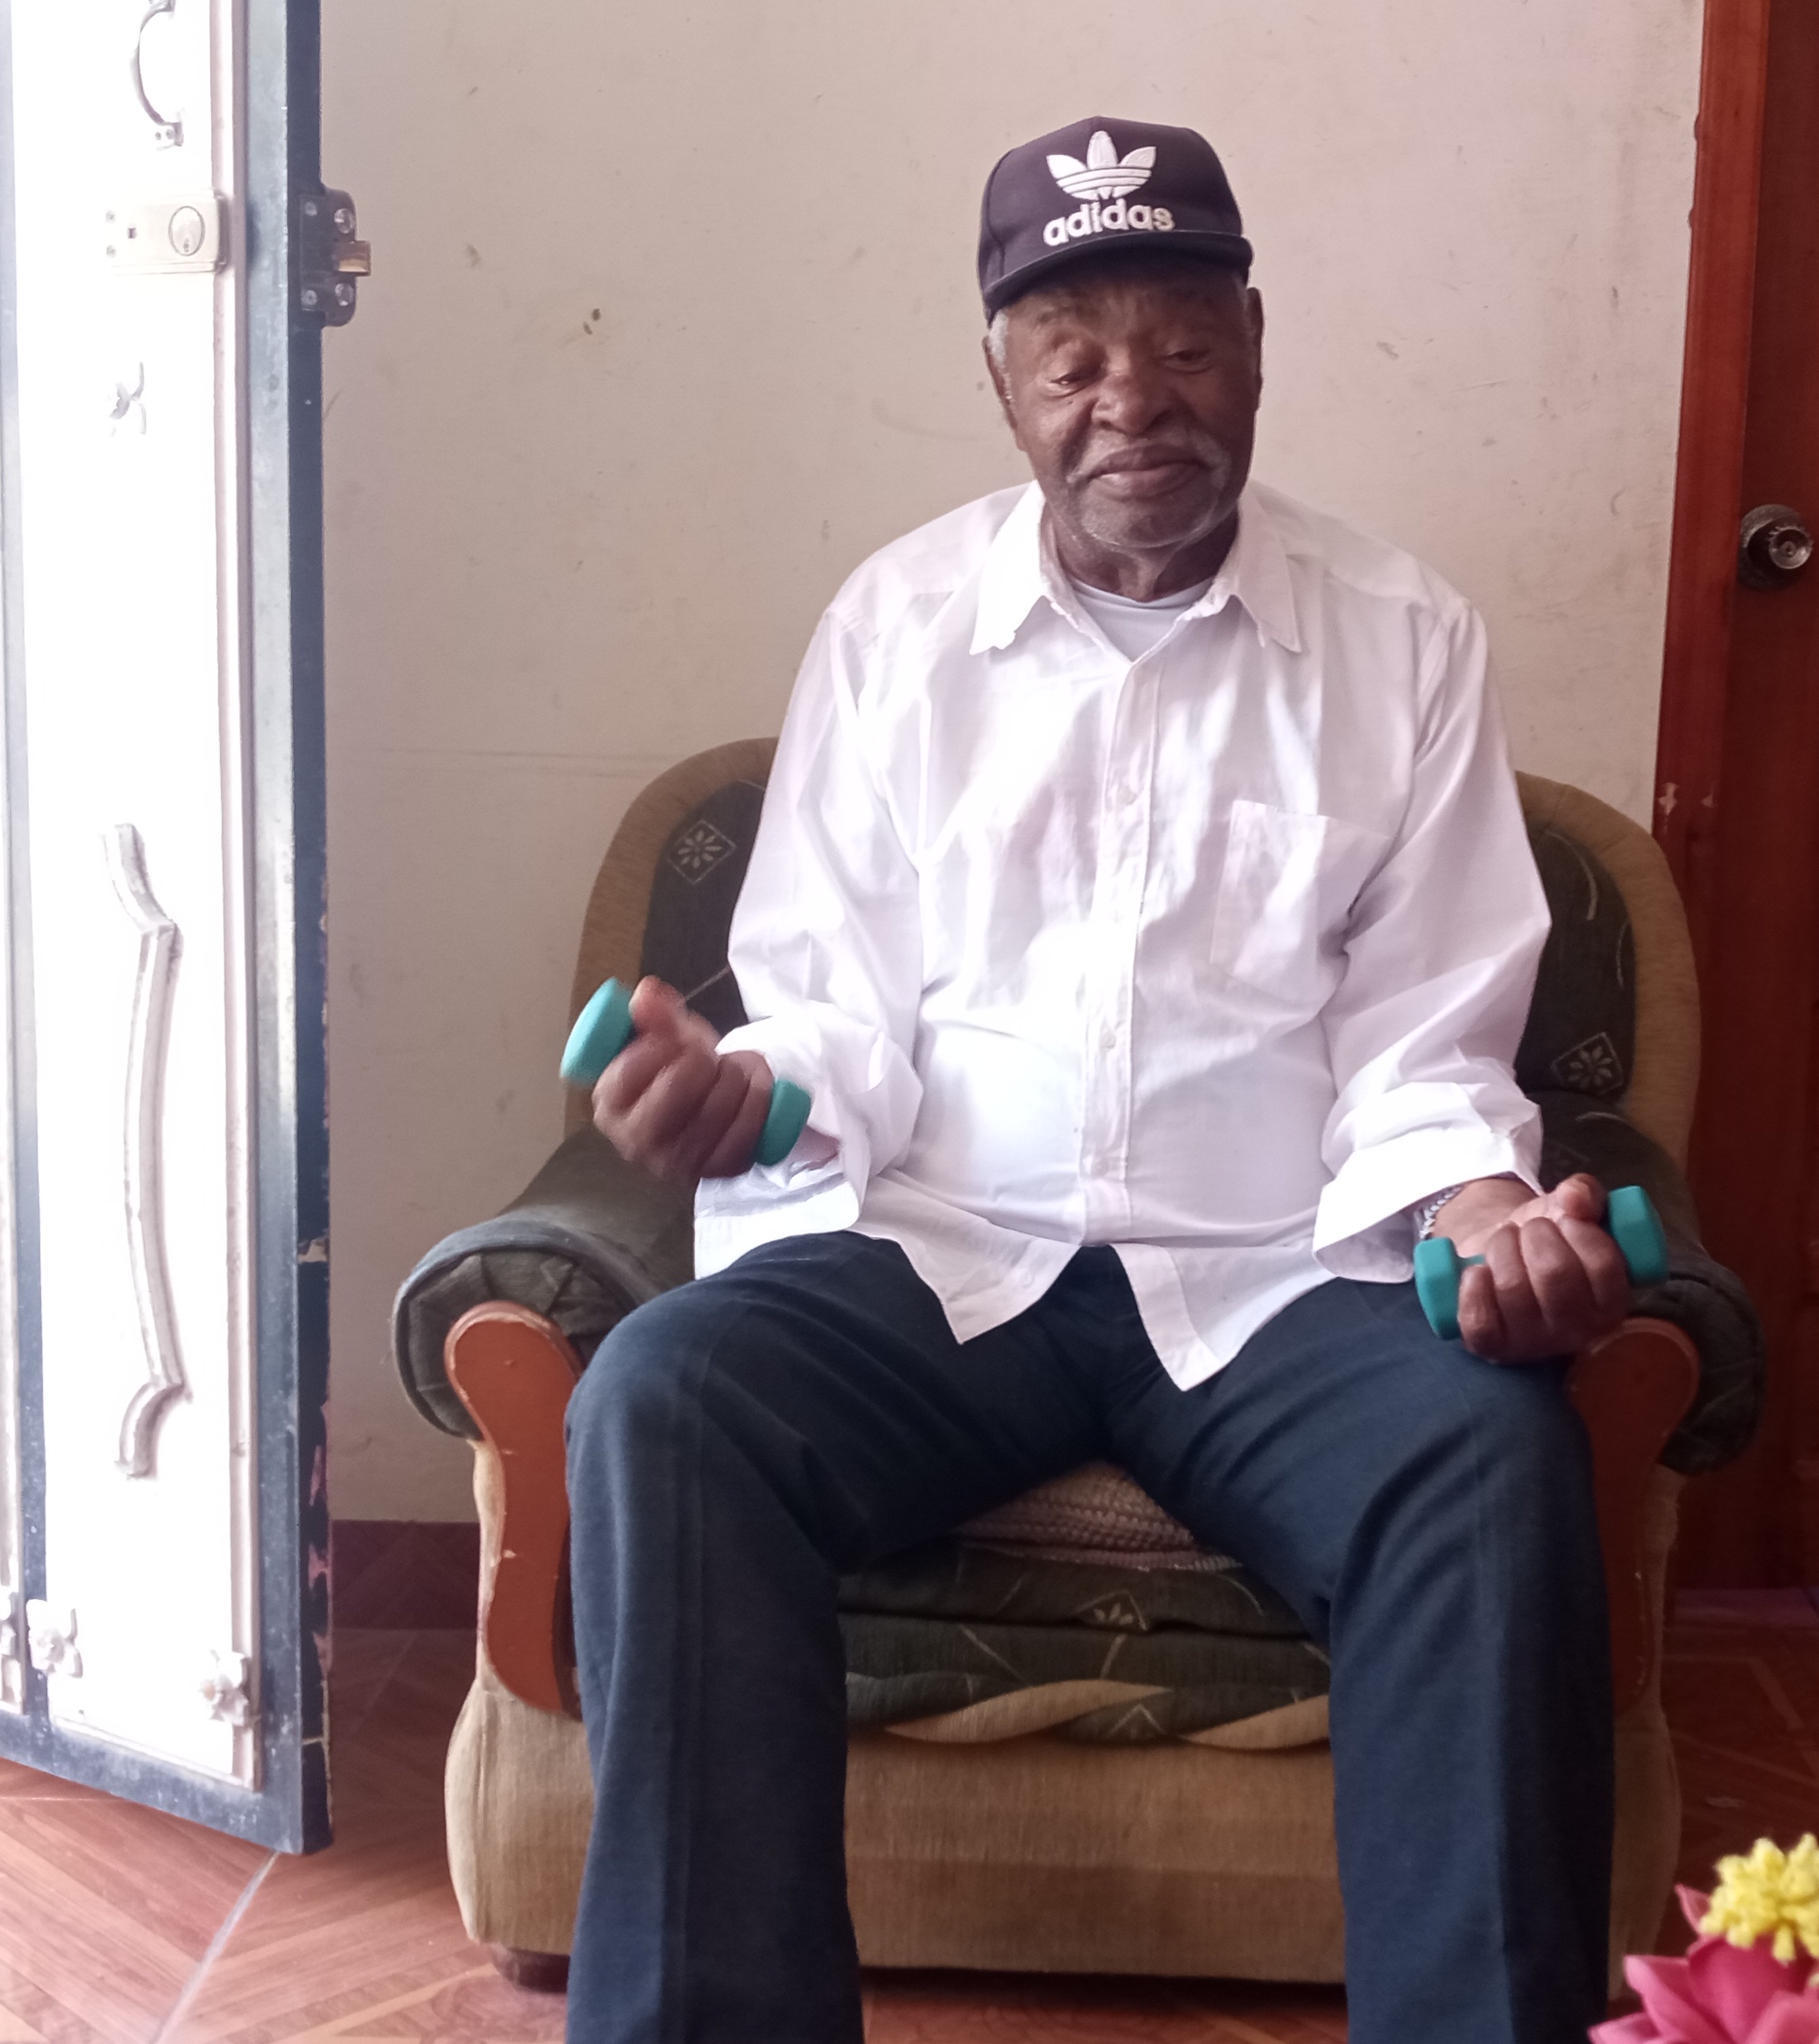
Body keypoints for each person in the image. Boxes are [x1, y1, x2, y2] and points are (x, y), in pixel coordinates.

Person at [561, 115, 1631, 2044]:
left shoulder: (1402, 639)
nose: (1132, 399)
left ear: (1256, 345)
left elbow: (1426, 1030)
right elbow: (830, 1001)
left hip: (1274, 1280)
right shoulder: (896, 630)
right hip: (948, 1263)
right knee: (668, 1394)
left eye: (1183, 342)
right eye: (1071, 358)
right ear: (1001, 384)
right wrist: (750, 1095)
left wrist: (1485, 1215)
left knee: (1489, 1458)